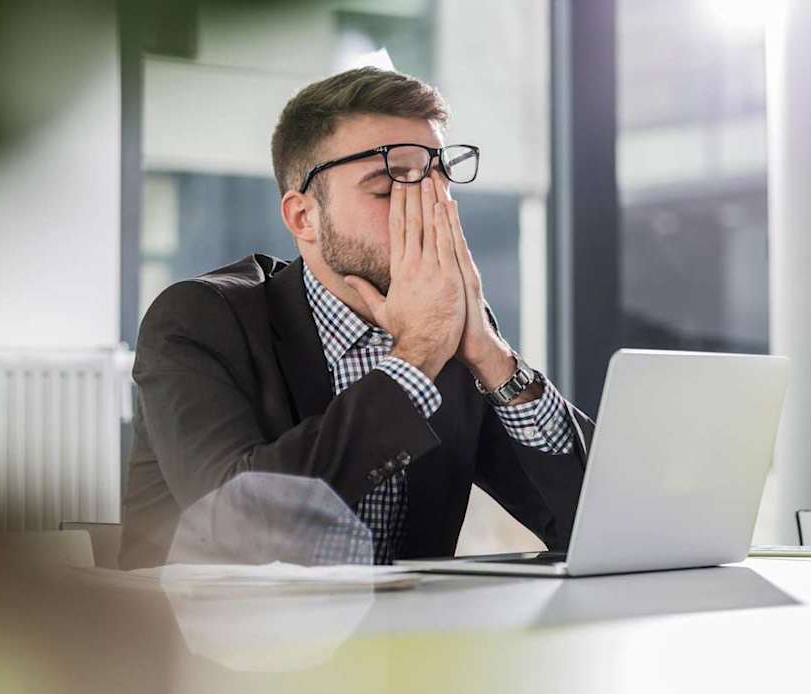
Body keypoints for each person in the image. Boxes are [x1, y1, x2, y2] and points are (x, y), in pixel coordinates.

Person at [118, 67, 594, 570]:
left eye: (438, 183)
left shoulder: (451, 330)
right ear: (304, 217)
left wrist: (493, 360)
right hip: (201, 641)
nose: (430, 210)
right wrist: (414, 360)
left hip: (400, 642)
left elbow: (589, 521)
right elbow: (243, 527)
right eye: (389, 188)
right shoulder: (197, 320)